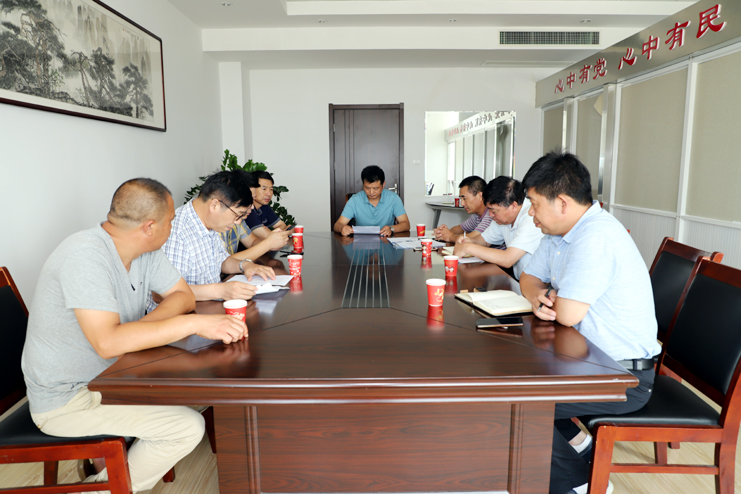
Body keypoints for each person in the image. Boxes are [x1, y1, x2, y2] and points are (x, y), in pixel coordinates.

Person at [20, 178, 248, 493]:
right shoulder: (84, 256)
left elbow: (182, 296)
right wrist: (192, 325)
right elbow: (108, 343)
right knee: (187, 427)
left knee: (203, 396)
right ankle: (97, 488)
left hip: (116, 375)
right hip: (69, 398)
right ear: (149, 227)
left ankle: (106, 466)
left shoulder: (144, 250)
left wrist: (140, 331)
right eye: (171, 221)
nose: (174, 227)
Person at [518, 152, 661, 494]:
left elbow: (567, 314)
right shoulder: (558, 233)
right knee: (513, 385)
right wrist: (540, 296)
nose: (530, 214)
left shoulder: (596, 236)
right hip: (587, 360)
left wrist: (552, 298)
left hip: (623, 376)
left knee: (516, 403)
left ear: (562, 203)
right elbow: (528, 278)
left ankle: (582, 485)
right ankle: (581, 449)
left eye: (534, 204)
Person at [148, 170, 275, 312]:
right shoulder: (177, 232)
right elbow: (160, 294)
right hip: (178, 316)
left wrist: (245, 265)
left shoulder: (210, 223)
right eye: (237, 215)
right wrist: (220, 291)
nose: (238, 222)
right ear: (214, 205)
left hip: (207, 310)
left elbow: (221, 260)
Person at [453, 176, 543, 279]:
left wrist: (468, 247)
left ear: (513, 206)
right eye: (489, 210)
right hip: (520, 279)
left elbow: (507, 259)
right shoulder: (502, 218)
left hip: (538, 284)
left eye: (494, 211)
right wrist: (469, 241)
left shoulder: (531, 218)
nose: (490, 215)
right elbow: (485, 240)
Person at [219, 172, 290, 255]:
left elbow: (252, 242)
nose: (252, 207)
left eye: (271, 189)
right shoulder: (214, 226)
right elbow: (226, 261)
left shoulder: (239, 219)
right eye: (264, 189)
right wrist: (268, 243)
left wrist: (270, 243)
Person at [333, 165, 410, 237]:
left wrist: (391, 228)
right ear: (363, 185)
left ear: (383, 184)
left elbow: (406, 224)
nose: (371, 192)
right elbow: (338, 224)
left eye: (375, 188)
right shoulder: (355, 200)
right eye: (367, 188)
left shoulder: (393, 198)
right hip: (361, 241)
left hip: (386, 240)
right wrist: (342, 228)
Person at [433, 176, 492, 243]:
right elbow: (459, 228)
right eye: (461, 199)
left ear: (480, 196)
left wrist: (450, 236)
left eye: (464, 198)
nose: (462, 203)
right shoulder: (477, 215)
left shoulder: (490, 214)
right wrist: (444, 232)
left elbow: (472, 238)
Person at [246, 170, 289, 240]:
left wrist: (270, 233)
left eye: (271, 189)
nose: (269, 193)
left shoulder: (264, 207)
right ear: (252, 189)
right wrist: (270, 233)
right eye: (264, 189)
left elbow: (282, 225)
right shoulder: (247, 209)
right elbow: (266, 236)